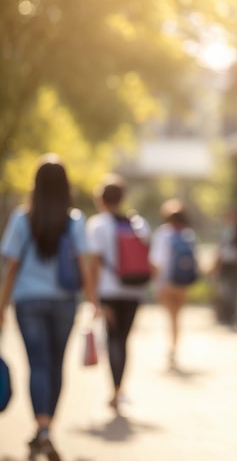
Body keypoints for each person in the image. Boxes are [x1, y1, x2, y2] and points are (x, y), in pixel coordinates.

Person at [0, 153, 98, 460]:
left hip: (27, 302)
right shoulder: (75, 220)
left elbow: (11, 267)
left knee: (38, 364)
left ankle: (41, 429)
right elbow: (83, 266)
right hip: (64, 303)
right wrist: (93, 301)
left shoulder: (21, 218)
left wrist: (1, 305)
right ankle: (46, 430)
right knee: (56, 365)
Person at [86, 174, 151, 411]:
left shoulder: (98, 224)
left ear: (101, 199)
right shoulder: (138, 222)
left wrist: (91, 297)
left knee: (113, 338)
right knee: (123, 339)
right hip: (134, 290)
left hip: (109, 291)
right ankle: (120, 389)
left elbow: (94, 263)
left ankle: (114, 390)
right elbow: (148, 256)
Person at [149, 198, 196, 368]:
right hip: (182, 284)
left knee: (169, 318)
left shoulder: (163, 234)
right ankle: (174, 348)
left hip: (166, 283)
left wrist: (154, 279)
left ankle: (170, 349)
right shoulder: (188, 234)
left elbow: (157, 260)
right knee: (177, 318)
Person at [214, 209, 237, 325]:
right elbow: (221, 249)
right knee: (226, 289)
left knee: (236, 289)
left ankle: (235, 315)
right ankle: (227, 314)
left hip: (236, 263)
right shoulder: (226, 231)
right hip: (226, 264)